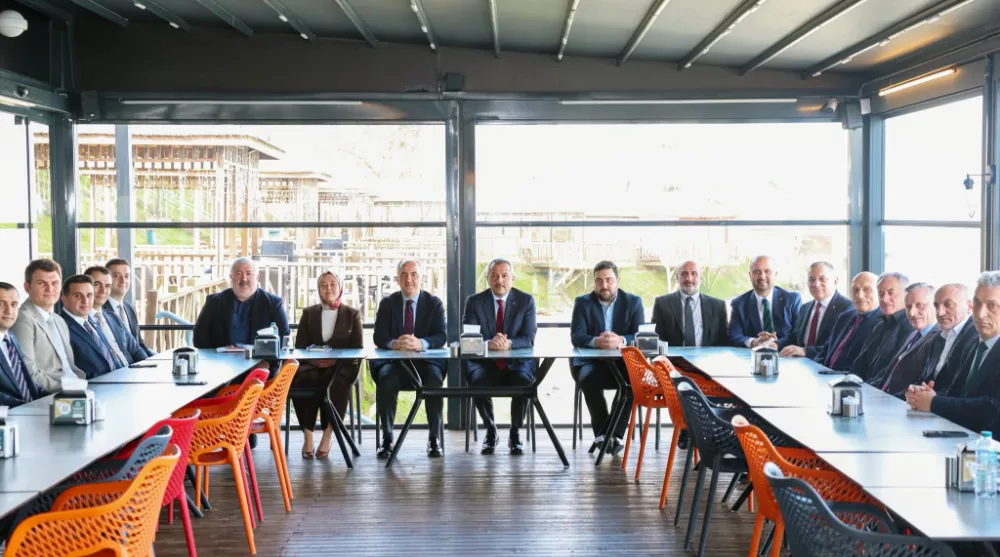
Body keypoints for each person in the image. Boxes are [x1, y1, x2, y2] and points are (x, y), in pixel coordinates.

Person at [906, 271, 1000, 434]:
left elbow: (993, 408)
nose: (980, 313)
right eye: (977, 303)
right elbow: (958, 394)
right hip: (958, 436)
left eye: (992, 306)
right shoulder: (973, 345)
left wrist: (934, 402)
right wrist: (923, 396)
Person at [370, 260, 447, 459]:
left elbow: (441, 336)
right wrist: (394, 343)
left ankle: (434, 439)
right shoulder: (387, 303)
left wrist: (421, 343)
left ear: (421, 278)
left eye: (414, 274)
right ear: (397, 279)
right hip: (395, 364)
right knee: (386, 380)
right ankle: (387, 439)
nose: (409, 279)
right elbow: (379, 337)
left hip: (425, 363)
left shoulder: (434, 303)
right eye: (404, 274)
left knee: (434, 381)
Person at [463, 258, 537, 455]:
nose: (500, 280)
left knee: (524, 382)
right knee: (476, 381)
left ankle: (515, 432)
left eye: (504, 276)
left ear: (512, 278)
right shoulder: (474, 302)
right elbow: (468, 339)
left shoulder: (526, 301)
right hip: (484, 364)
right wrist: (489, 344)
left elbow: (528, 338)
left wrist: (508, 343)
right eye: (494, 276)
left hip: (516, 364)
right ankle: (490, 429)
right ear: (487, 278)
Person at [570, 261, 644, 455]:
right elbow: (576, 336)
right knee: (588, 380)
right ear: (594, 282)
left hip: (622, 363)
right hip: (590, 363)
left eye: (609, 280)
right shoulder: (583, 302)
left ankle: (609, 435)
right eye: (599, 281)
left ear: (617, 280)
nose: (604, 285)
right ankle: (606, 436)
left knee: (633, 382)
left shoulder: (633, 302)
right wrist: (596, 341)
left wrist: (621, 340)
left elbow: (639, 336)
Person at [291, 271, 363, 459]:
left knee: (336, 384)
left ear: (340, 288)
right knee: (300, 381)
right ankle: (308, 435)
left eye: (332, 284)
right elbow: (300, 347)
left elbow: (357, 349)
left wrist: (335, 361)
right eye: (323, 285)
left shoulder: (352, 314)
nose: (328, 288)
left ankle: (328, 434)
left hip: (341, 367)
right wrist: (313, 361)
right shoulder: (309, 313)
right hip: (312, 366)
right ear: (318, 290)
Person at [880, 283, 977, 397]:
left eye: (948, 304)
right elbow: (925, 381)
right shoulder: (939, 337)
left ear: (970, 306)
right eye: (936, 305)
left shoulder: (975, 338)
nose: (940, 312)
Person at [10, 259, 84, 391]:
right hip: (52, 394)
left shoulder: (59, 321)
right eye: (41, 283)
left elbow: (68, 367)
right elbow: (28, 372)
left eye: (55, 283)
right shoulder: (22, 319)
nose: (50, 289)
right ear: (27, 287)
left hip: (77, 386)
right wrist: (67, 390)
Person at [193, 257, 290, 349]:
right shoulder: (214, 302)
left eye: (249, 273)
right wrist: (213, 357)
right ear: (231, 277)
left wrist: (266, 358)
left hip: (259, 359)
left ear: (257, 277)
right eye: (238, 273)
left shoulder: (273, 304)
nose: (244, 278)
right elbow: (199, 335)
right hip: (221, 359)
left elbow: (284, 336)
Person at [868, 282, 937, 392]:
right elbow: (890, 372)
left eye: (920, 306)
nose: (912, 313)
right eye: (908, 307)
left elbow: (920, 384)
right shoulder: (913, 335)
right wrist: (867, 388)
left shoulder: (939, 340)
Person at [780, 261, 852, 359]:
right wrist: (776, 344)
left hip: (825, 365)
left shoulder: (847, 308)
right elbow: (796, 336)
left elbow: (839, 346)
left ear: (835, 281)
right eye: (811, 279)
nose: (816, 284)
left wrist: (805, 351)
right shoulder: (805, 307)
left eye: (822, 279)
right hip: (799, 363)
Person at [850, 272, 913, 382]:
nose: (884, 299)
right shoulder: (880, 325)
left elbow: (891, 374)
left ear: (906, 295)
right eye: (881, 293)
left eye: (891, 293)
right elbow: (859, 364)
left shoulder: (911, 328)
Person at [727, 255, 802, 349]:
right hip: (752, 355)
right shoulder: (739, 303)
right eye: (757, 271)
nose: (762, 276)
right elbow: (733, 334)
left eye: (767, 271)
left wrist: (777, 344)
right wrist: (753, 342)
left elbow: (798, 332)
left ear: (775, 274)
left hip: (784, 354)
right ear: (750, 275)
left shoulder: (792, 299)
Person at [60, 275, 127, 379]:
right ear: (64, 299)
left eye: (89, 295)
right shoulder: (60, 329)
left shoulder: (92, 322)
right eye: (78, 295)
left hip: (118, 380)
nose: (85, 301)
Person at [650, 260, 728, 347]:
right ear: (677, 278)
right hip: (673, 355)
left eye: (694, 274)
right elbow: (655, 337)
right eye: (684, 274)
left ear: (701, 278)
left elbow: (724, 341)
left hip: (707, 355)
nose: (689, 279)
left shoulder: (718, 307)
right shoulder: (662, 304)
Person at [814, 271, 881, 371]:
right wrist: (816, 368)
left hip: (848, 378)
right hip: (824, 374)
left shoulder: (882, 324)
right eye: (855, 290)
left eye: (867, 289)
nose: (859, 295)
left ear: (879, 292)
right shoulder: (845, 316)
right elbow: (826, 350)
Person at [84, 266, 147, 366]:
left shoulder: (114, 317)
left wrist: (147, 366)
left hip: (131, 370)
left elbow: (136, 350)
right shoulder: (82, 322)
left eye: (107, 286)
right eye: (97, 284)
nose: (103, 290)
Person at [0, 282, 44, 407]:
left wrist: (58, 394)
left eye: (14, 304)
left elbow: (26, 382)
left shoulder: (12, 338)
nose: (9, 311)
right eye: (0, 304)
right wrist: (29, 408)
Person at [105, 258, 155, 356]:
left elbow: (139, 344)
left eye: (126, 276)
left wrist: (156, 359)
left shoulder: (129, 309)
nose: (123, 280)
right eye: (116, 275)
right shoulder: (100, 311)